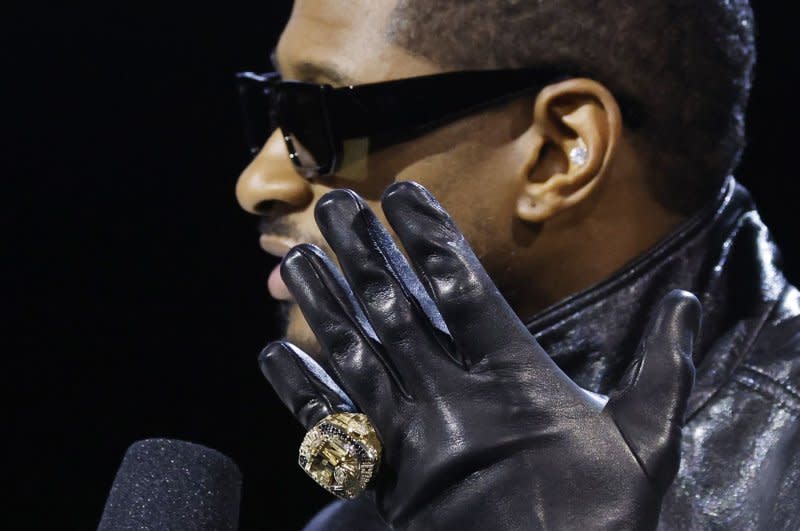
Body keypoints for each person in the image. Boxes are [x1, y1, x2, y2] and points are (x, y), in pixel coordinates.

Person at [235, 1, 799, 529]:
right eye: (273, 106)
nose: (255, 183)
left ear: (557, 150)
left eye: (317, 118)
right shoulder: (384, 506)